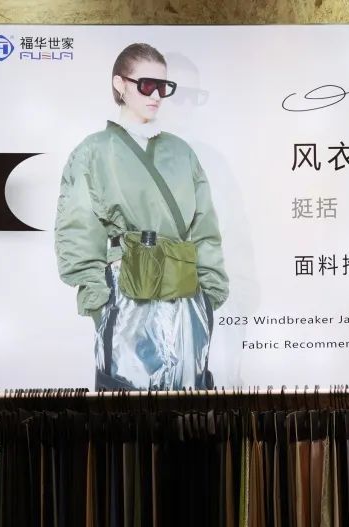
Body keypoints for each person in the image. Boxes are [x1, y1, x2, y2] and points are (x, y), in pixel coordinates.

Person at [55, 42, 229, 390]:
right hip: (126, 295)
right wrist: (98, 298)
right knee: (127, 396)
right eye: (147, 85)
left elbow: (204, 227)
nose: (156, 96)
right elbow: (77, 228)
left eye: (163, 87)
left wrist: (209, 293)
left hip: (185, 294)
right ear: (120, 84)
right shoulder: (93, 151)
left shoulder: (181, 153)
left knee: (187, 395)